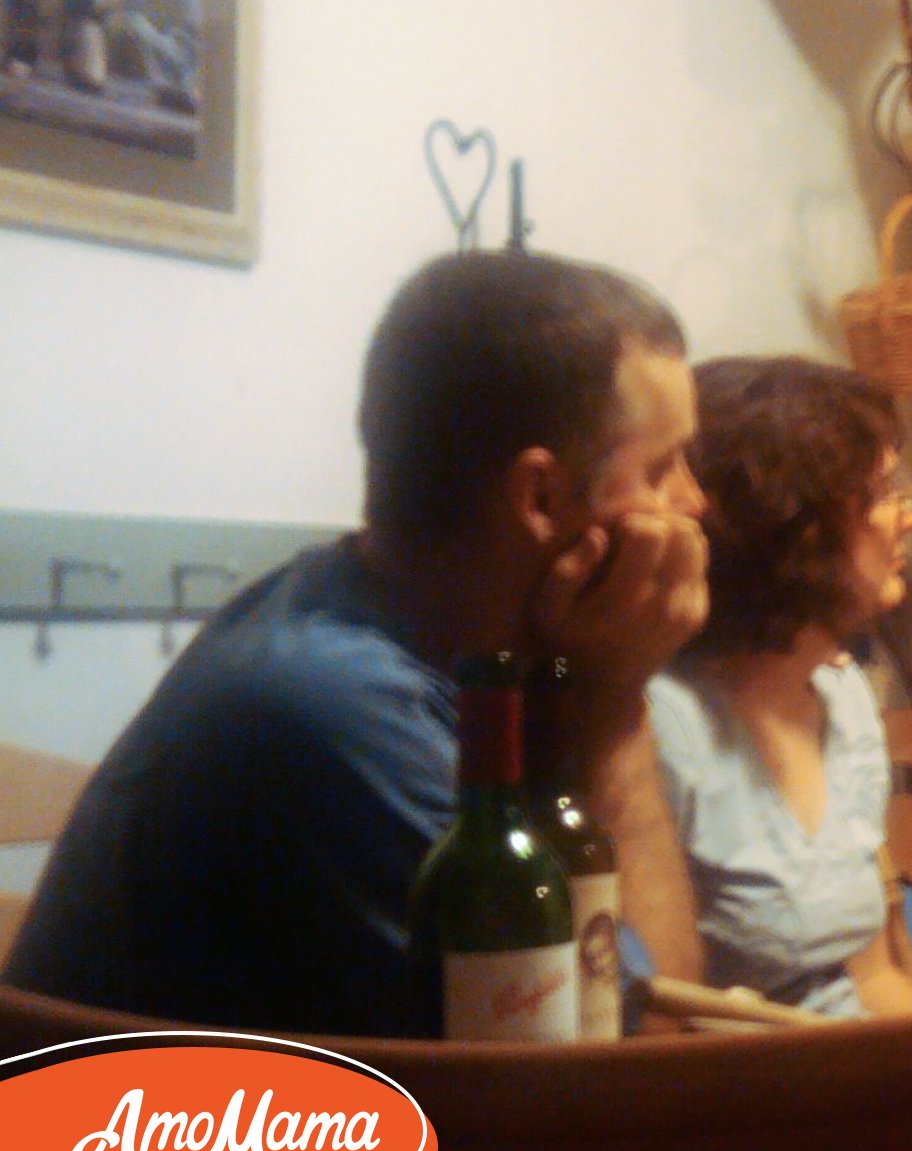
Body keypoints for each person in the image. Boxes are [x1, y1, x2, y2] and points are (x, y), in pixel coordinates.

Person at [3, 252, 710, 1036]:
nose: (696, 502)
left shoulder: (384, 627)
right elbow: (648, 1055)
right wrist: (617, 708)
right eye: (663, 467)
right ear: (539, 497)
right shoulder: (328, 710)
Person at [646, 358, 912, 1018]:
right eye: (884, 492)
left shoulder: (843, 696)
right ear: (800, 525)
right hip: (757, 1102)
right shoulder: (663, 724)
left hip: (869, 1086)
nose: (907, 519)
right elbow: (655, 1022)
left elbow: (874, 977)